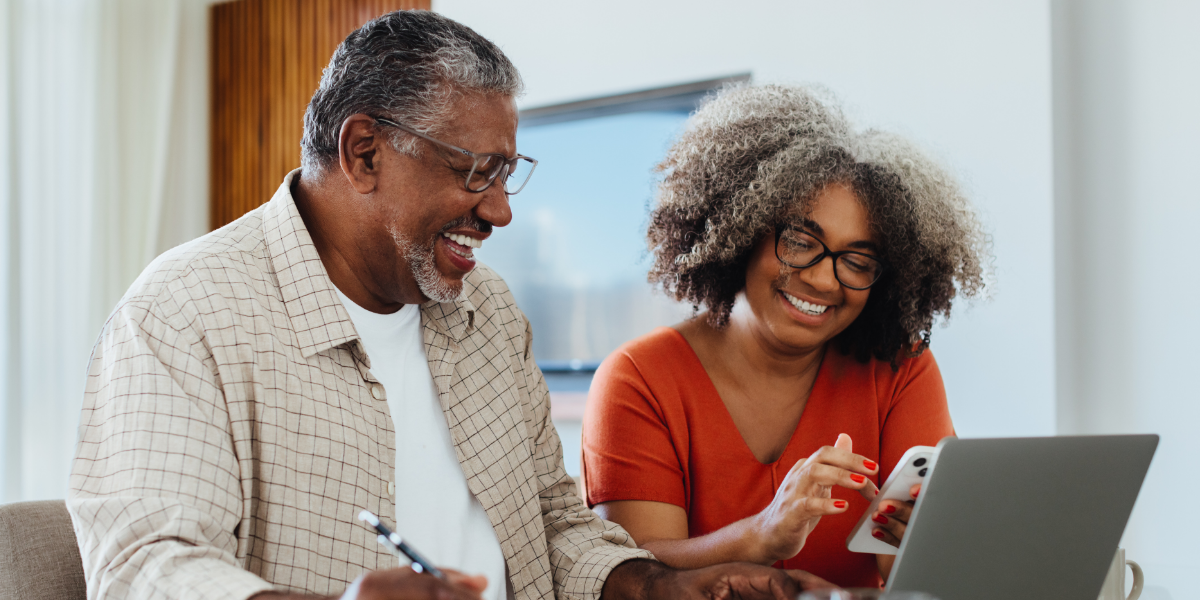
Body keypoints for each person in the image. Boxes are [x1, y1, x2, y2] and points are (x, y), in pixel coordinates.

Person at [66, 13, 832, 600]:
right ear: (363, 152)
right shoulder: (184, 314)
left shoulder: (490, 311)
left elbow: (554, 525)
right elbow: (145, 569)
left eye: (508, 173)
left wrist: (658, 586)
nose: (500, 212)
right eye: (475, 173)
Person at [581, 84, 991, 588]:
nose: (823, 279)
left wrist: (925, 546)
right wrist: (762, 534)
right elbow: (632, 578)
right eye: (800, 242)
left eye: (858, 261)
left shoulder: (899, 370)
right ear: (740, 229)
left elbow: (915, 575)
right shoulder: (640, 378)